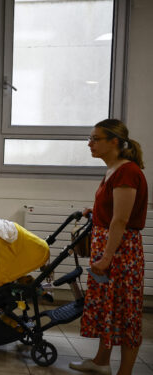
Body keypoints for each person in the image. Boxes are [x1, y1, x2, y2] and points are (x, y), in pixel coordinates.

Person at [69, 119, 147, 375]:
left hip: (121, 252)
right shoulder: (114, 169)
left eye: (95, 139)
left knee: (125, 314)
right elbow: (115, 208)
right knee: (108, 308)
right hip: (110, 245)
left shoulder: (128, 172)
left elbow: (122, 219)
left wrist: (106, 258)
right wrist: (96, 211)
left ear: (114, 141)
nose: (89, 144)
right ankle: (101, 362)